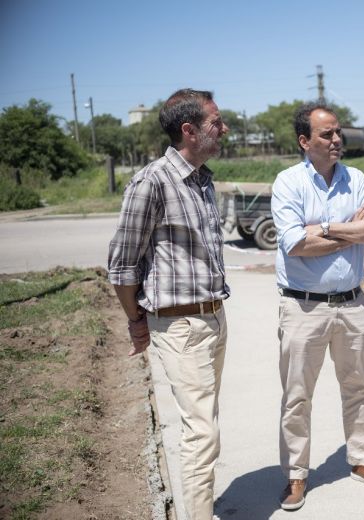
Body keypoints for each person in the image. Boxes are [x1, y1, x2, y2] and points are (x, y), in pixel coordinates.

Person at [108, 88, 230, 520]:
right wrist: (136, 322)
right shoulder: (152, 181)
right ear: (188, 130)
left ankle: (200, 507)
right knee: (201, 434)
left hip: (212, 318)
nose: (224, 129)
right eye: (216, 122)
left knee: (205, 426)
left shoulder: (202, 179)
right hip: (179, 328)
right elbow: (122, 266)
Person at [271, 102, 364, 512]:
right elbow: (295, 244)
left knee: (359, 388)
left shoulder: (356, 179)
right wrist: (350, 233)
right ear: (305, 141)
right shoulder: (288, 183)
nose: (336, 139)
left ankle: (362, 460)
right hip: (303, 309)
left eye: (337, 132)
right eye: (326, 134)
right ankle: (296, 476)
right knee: (297, 396)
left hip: (352, 306)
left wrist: (324, 228)